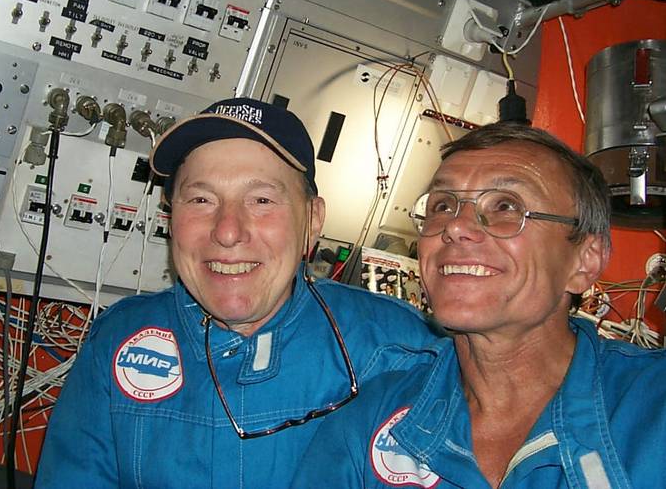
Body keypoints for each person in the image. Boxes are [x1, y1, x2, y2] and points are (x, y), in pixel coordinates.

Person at [35, 97, 439, 488]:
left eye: (261, 200)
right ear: (170, 217)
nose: (228, 231)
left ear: (312, 220)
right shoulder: (118, 338)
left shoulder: (401, 351)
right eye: (201, 199)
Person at [292, 123, 666, 488]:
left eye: (506, 206)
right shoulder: (372, 418)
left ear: (585, 260)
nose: (455, 226)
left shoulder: (652, 408)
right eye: (442, 205)